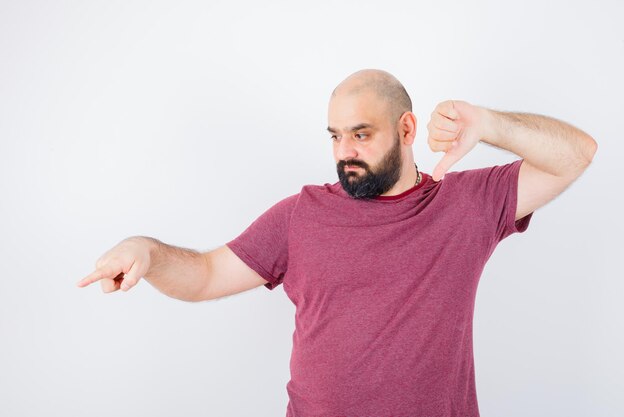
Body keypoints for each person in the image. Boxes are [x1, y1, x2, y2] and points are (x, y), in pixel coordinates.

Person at [76, 69, 597, 416]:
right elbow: (207, 275)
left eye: (362, 134)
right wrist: (147, 249)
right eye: (335, 135)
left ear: (407, 127)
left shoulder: (465, 205)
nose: (344, 151)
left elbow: (575, 154)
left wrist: (487, 123)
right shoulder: (302, 215)